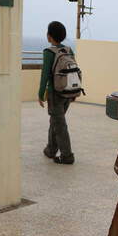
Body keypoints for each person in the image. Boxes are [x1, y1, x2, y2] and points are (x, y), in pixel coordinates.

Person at [38, 21, 75, 164]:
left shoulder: (49, 52)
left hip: (55, 93)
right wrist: (74, 92)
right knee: (55, 120)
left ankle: (67, 155)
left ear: (49, 36)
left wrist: (41, 93)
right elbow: (74, 72)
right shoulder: (68, 50)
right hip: (68, 91)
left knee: (59, 125)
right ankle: (51, 149)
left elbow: (45, 75)